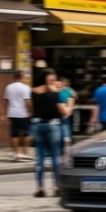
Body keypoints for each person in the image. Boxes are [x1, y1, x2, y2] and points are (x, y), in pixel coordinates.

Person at [30, 69, 71, 198]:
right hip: (53, 125)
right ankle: (57, 186)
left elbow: (31, 110)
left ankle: (40, 187)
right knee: (55, 158)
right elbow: (64, 112)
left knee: (39, 158)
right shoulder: (55, 93)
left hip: (37, 125)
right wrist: (69, 106)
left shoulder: (34, 91)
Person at [3, 70, 32, 161]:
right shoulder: (26, 88)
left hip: (12, 113)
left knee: (14, 134)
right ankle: (25, 152)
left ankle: (16, 153)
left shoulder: (8, 87)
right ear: (22, 76)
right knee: (26, 133)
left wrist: (6, 113)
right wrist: (31, 111)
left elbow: (6, 101)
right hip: (23, 113)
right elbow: (27, 101)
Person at [58, 78, 76, 152]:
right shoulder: (69, 91)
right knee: (66, 129)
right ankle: (67, 146)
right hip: (66, 112)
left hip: (63, 112)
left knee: (64, 129)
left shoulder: (64, 91)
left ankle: (65, 146)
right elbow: (75, 96)